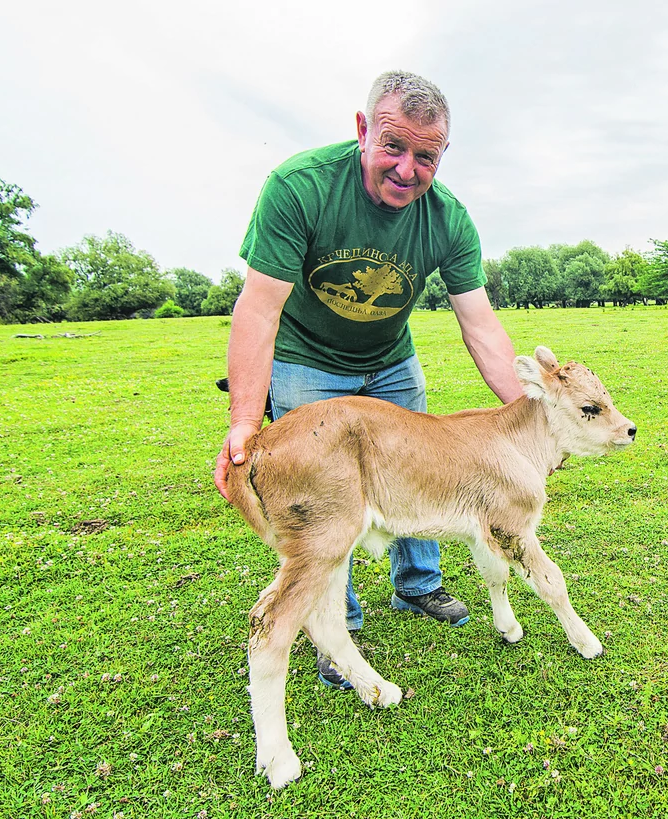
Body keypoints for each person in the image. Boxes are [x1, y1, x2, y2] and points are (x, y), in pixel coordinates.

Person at [213, 70, 524, 689]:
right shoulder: (300, 188)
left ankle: (419, 586)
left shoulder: (448, 220)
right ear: (362, 131)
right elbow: (259, 308)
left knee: (425, 467)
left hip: (390, 360)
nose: (408, 168)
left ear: (442, 156)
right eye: (393, 146)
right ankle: (337, 625)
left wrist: (529, 418)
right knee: (331, 495)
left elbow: (480, 326)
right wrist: (245, 420)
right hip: (306, 360)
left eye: (426, 156)